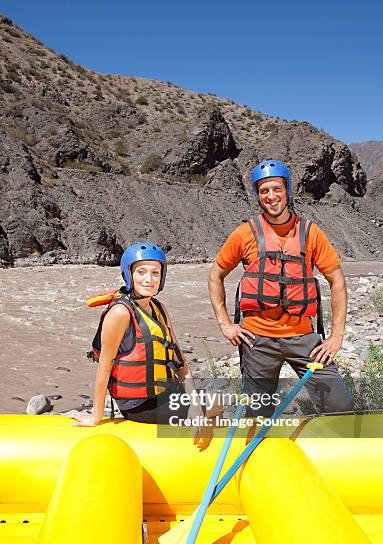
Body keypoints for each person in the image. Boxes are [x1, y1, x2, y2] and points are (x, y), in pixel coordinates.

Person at [208, 159, 353, 417]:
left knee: (339, 406)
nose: (271, 197)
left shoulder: (310, 233)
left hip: (304, 338)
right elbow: (216, 275)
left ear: (287, 191)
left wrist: (336, 336)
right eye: (264, 191)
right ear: (258, 195)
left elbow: (337, 281)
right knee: (257, 413)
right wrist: (225, 323)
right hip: (257, 340)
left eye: (276, 189)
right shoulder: (244, 234)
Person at [69, 242, 203, 431]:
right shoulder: (120, 313)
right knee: (215, 405)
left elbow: (180, 361)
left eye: (155, 273)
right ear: (129, 275)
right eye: (141, 272)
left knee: (212, 401)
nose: (149, 279)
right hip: (138, 405)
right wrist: (96, 415)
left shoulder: (159, 309)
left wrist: (194, 403)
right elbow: (104, 367)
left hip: (163, 393)